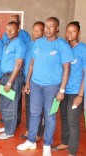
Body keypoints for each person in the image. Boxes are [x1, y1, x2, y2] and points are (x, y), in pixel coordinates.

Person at [17, 17, 73, 156]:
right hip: (36, 84)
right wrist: (28, 82)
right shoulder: (38, 43)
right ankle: (31, 141)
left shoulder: (62, 45)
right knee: (34, 113)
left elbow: (67, 69)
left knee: (50, 116)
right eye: (46, 26)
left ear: (57, 28)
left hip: (52, 87)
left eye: (51, 26)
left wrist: (62, 90)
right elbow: (32, 63)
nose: (48, 29)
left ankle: (47, 145)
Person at [51, 21, 86, 156]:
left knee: (73, 122)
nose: (70, 33)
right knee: (64, 118)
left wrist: (80, 95)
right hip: (63, 90)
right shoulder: (64, 48)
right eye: (68, 31)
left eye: (73, 31)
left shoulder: (83, 49)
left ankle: (72, 151)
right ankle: (65, 143)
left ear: (79, 33)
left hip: (76, 92)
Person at [0, 21, 25, 140]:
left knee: (10, 106)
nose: (9, 31)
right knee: (4, 104)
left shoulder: (19, 44)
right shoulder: (8, 43)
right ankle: (7, 126)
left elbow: (18, 65)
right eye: (7, 29)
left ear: (18, 30)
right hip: (5, 77)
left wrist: (9, 82)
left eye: (12, 29)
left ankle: (9, 132)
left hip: (12, 78)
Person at [20, 21, 45, 140]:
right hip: (27, 80)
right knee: (29, 106)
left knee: (38, 107)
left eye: (38, 30)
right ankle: (30, 128)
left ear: (43, 31)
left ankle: (39, 132)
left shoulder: (44, 45)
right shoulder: (29, 45)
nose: (35, 32)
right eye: (34, 29)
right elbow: (25, 63)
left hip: (39, 81)